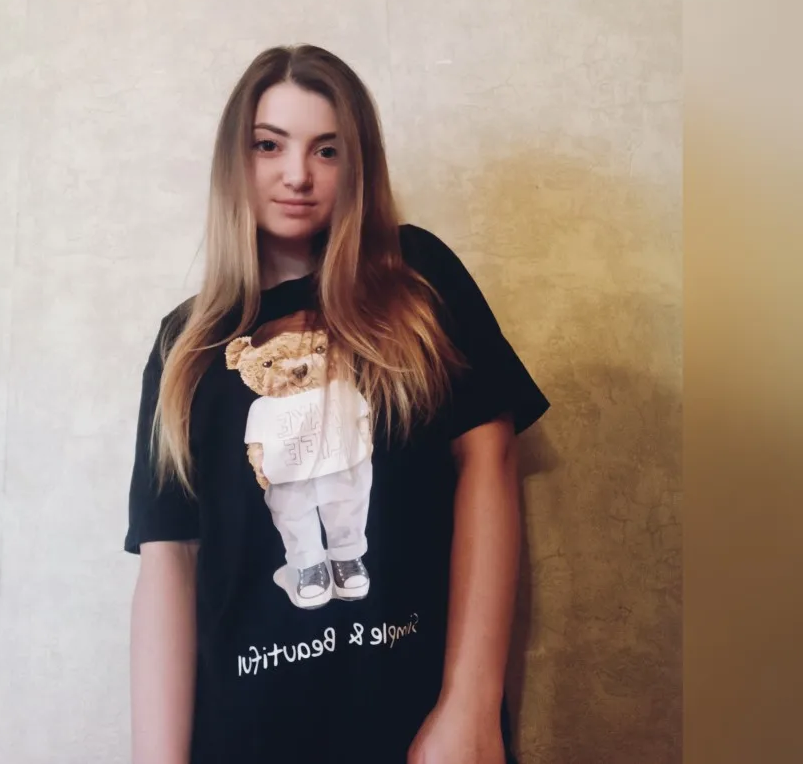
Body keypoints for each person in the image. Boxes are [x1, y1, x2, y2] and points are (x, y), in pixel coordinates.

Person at [125, 44, 550, 764]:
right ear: (234, 159)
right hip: (243, 738)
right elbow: (169, 560)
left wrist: (471, 704)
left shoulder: (416, 281)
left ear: (359, 165)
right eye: (269, 145)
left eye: (327, 150)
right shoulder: (187, 344)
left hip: (413, 724)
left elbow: (490, 459)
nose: (298, 174)